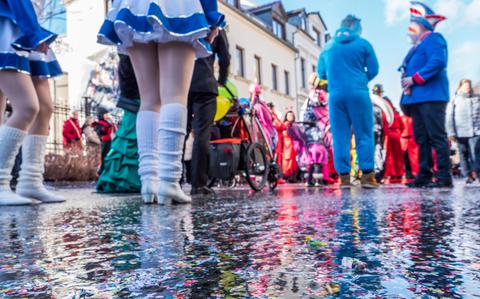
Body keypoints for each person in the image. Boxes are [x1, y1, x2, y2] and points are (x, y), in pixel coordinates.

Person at [98, 0, 224, 204]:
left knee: (149, 100)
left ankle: (149, 181)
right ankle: (169, 181)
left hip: (133, 4)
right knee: (174, 96)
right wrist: (211, 16)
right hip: (178, 6)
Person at [0, 0, 65, 205]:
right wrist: (32, 30)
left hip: (27, 25)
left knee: (44, 108)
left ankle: (30, 181)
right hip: (12, 25)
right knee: (27, 106)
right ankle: (0, 183)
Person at [317, 15, 380, 188]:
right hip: (358, 93)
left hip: (336, 95)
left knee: (340, 136)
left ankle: (344, 178)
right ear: (355, 27)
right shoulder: (363, 43)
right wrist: (361, 79)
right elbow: (374, 69)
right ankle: (367, 176)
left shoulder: (327, 47)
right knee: (364, 134)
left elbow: (321, 74)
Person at [400, 2, 452, 188]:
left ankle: (444, 176)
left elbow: (438, 62)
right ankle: (424, 173)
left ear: (422, 25)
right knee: (421, 138)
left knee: (436, 136)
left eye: (413, 24)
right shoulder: (416, 47)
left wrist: (414, 79)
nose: (409, 28)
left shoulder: (435, 38)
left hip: (431, 96)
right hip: (417, 98)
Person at [187, 29, 230, 197]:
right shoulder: (215, 25)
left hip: (181, 82)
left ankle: (171, 181)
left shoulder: (185, 16)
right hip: (205, 84)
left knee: (179, 131)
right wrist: (222, 81)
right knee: (201, 135)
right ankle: (198, 185)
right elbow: (225, 59)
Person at [97, 54, 142, 193]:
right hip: (138, 99)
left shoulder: (126, 53)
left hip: (132, 98)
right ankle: (134, 180)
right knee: (133, 136)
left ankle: (120, 178)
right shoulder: (136, 53)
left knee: (127, 137)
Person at [446, 79, 480, 184]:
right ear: (460, 87)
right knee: (463, 154)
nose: (467, 88)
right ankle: (468, 175)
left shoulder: (477, 98)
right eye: (465, 86)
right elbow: (449, 117)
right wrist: (451, 133)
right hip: (460, 132)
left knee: (476, 154)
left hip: (476, 131)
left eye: (469, 86)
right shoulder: (455, 100)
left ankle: (478, 175)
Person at [383, 95, 405, 183]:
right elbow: (402, 126)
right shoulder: (396, 114)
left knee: (389, 155)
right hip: (396, 134)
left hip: (388, 134)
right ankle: (399, 172)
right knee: (398, 155)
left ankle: (391, 173)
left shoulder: (384, 112)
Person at [94, 108, 116, 176]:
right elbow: (100, 132)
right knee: (104, 156)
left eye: (107, 114)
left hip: (110, 141)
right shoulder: (100, 123)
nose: (107, 115)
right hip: (104, 142)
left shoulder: (109, 122)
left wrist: (112, 122)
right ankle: (101, 171)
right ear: (101, 115)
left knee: (109, 156)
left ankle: (107, 170)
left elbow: (115, 130)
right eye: (105, 114)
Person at [282, 111, 300, 182]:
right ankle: (288, 176)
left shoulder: (294, 125)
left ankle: (293, 177)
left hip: (293, 146)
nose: (290, 117)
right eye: (289, 115)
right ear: (286, 116)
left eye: (291, 115)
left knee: (293, 161)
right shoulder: (285, 124)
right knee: (287, 161)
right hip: (287, 145)